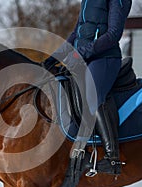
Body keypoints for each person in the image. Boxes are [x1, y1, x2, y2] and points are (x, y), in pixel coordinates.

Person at [43, 0, 132, 174]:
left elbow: (114, 34)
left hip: (104, 58)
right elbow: (76, 33)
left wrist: (81, 53)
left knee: (93, 96)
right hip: (83, 58)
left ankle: (112, 158)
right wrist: (52, 59)